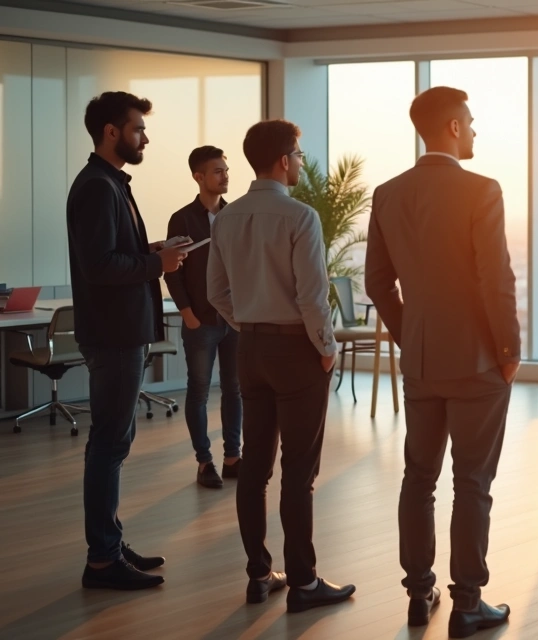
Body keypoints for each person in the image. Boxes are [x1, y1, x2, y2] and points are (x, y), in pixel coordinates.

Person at [364, 86, 519, 639]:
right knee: (472, 481)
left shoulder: (387, 193)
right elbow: (495, 278)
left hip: (423, 359)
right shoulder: (482, 190)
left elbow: (377, 282)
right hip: (478, 360)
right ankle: (468, 601)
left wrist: (411, 336)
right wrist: (509, 351)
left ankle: (418, 591)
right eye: (471, 123)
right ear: (452, 127)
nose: (475, 131)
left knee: (418, 477)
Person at [208, 120, 354, 613]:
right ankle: (305, 583)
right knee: (299, 472)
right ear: (282, 160)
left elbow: (215, 293)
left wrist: (248, 323)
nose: (302, 162)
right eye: (299, 154)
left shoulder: (226, 218)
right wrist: (327, 346)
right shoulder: (300, 216)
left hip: (249, 350)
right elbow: (312, 298)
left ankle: (258, 573)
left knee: (253, 468)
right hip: (297, 352)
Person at [69, 91, 186, 590]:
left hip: (121, 332)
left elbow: (115, 253)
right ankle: (102, 559)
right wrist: (154, 264)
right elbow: (100, 268)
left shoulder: (111, 182)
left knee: (112, 444)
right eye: (138, 128)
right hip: (115, 336)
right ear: (112, 132)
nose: (145, 137)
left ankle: (110, 542)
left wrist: (151, 250)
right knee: (109, 446)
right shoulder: (98, 186)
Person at [165, 145, 241, 489]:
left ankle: (233, 458)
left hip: (235, 319)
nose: (225, 175)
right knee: (198, 392)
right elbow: (172, 272)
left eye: (226, 170)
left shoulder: (236, 214)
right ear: (199, 176)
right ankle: (204, 461)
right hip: (200, 321)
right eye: (218, 171)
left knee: (234, 390)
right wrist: (188, 314)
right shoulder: (182, 219)